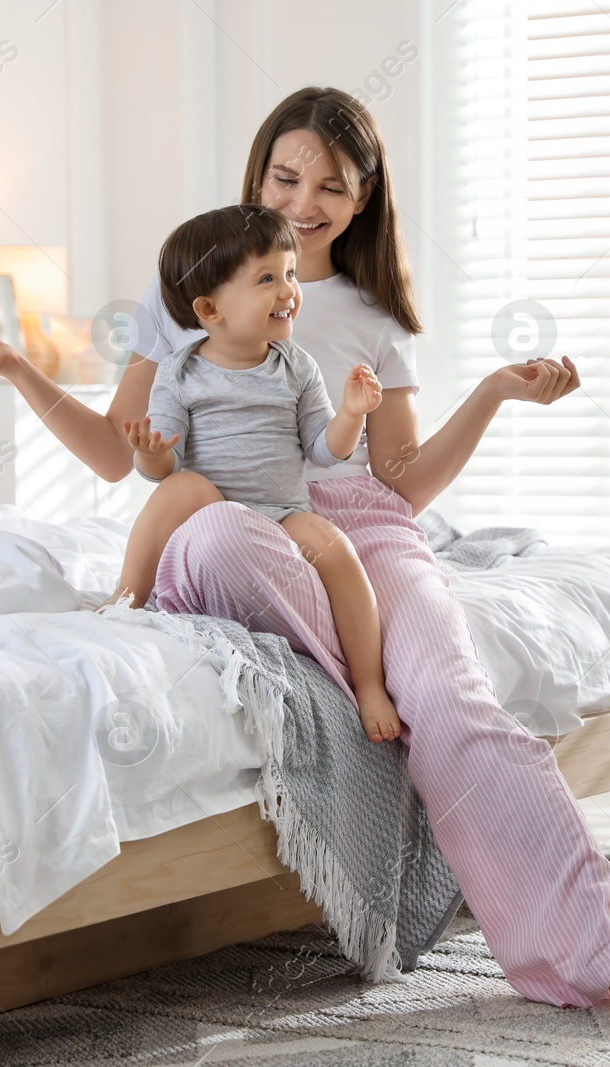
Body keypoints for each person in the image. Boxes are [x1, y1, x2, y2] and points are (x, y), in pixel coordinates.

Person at [0, 86, 610, 1038]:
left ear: (363, 199)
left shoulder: (373, 315)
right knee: (211, 530)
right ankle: (366, 684)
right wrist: (13, 370)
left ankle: (609, 948)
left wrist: (492, 393)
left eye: (332, 184)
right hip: (230, 525)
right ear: (258, 174)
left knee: (449, 700)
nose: (304, 199)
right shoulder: (192, 292)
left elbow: (398, 485)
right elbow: (122, 454)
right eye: (286, 176)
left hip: (358, 531)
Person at [110, 203, 401, 744]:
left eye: (290, 273)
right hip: (210, 506)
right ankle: (126, 596)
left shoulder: (296, 366)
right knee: (183, 485)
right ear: (210, 308)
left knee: (335, 548)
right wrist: (150, 453)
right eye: (267, 278)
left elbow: (323, 450)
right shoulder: (182, 370)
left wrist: (352, 414)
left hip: (282, 513)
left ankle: (368, 683)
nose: (289, 289)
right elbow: (165, 466)